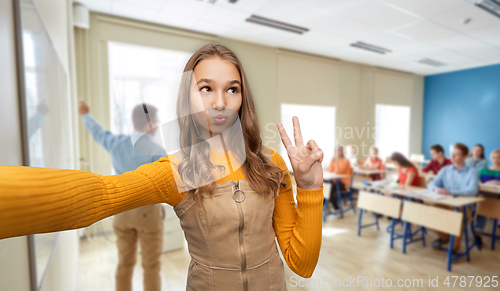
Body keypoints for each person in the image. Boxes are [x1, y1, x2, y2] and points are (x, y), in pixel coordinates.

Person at [0, 44, 324, 289]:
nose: (220, 102)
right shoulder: (179, 169)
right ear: (189, 98)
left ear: (242, 98)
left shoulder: (272, 164)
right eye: (206, 88)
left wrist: (309, 187)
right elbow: (103, 192)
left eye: (232, 89)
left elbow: (302, 264)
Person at [79, 101, 166, 291]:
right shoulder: (158, 152)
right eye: (156, 121)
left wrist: (86, 114)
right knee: (151, 267)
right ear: (149, 124)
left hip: (122, 210)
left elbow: (98, 133)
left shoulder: (116, 143)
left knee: (124, 264)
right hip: (147, 214)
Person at [428, 143, 479, 253]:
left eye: (456, 154)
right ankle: (445, 237)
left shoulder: (472, 172)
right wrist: (435, 189)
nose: (452, 157)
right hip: (446, 203)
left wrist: (450, 192)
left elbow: (473, 190)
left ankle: (455, 248)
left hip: (465, 206)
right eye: (452, 154)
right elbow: (432, 184)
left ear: (465, 157)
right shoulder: (445, 170)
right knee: (429, 212)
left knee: (458, 216)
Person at [474, 149, 500, 247]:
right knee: (483, 203)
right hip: (484, 196)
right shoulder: (484, 170)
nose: (496, 160)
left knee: (485, 203)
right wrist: (489, 183)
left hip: (497, 198)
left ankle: (478, 230)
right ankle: (478, 232)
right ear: (490, 158)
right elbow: (478, 182)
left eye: (498, 157)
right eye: (494, 157)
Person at [327, 145, 352, 210]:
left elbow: (338, 172)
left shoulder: (346, 160)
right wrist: (332, 161)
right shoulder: (335, 160)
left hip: (344, 183)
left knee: (330, 188)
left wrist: (336, 161)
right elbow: (330, 171)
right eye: (335, 150)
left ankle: (335, 206)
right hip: (336, 182)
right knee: (323, 185)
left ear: (342, 151)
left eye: (338, 150)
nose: (336, 152)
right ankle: (325, 205)